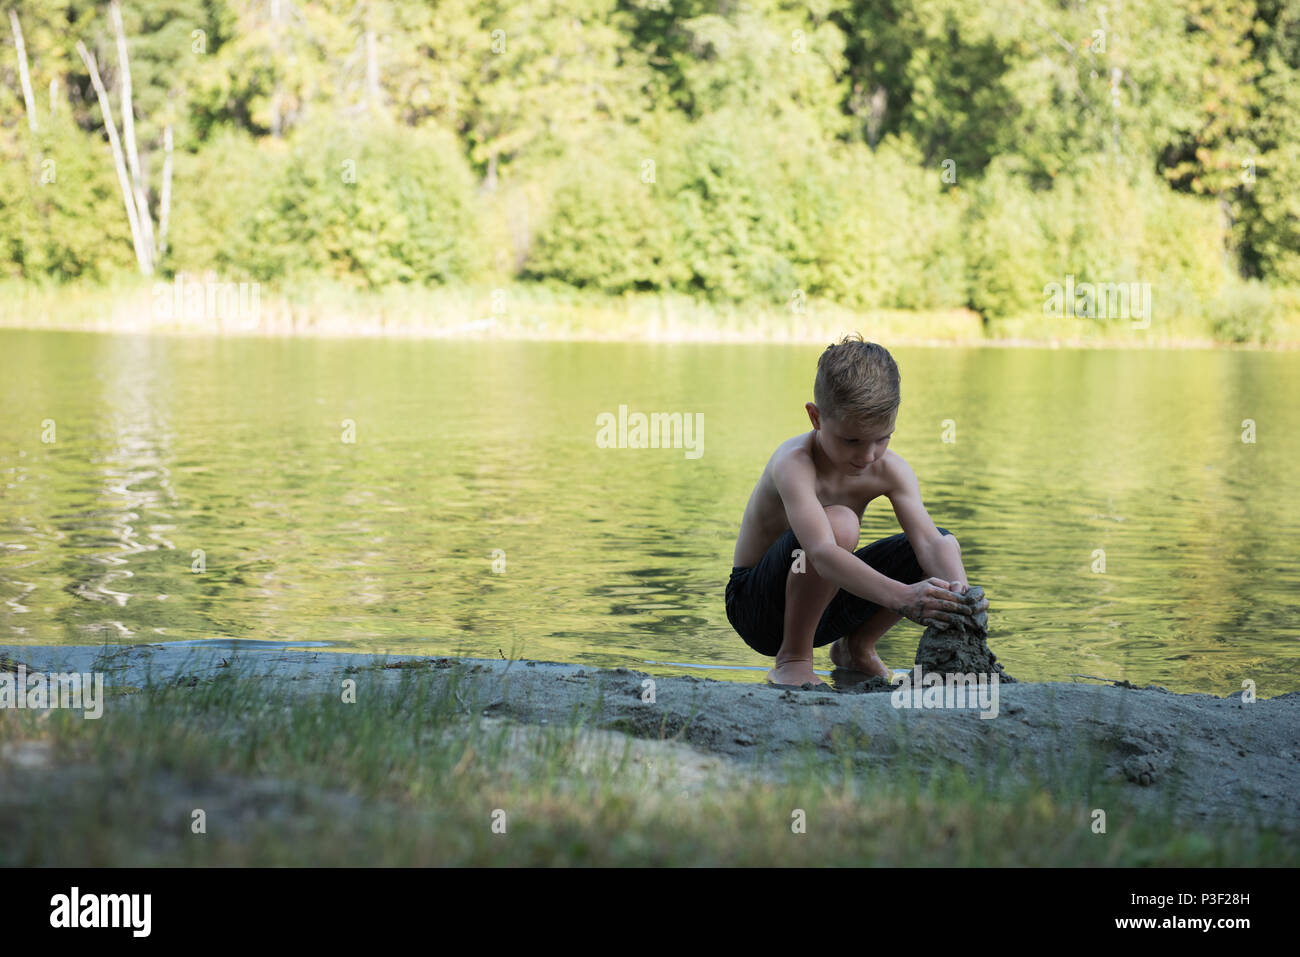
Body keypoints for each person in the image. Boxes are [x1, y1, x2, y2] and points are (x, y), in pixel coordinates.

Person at [725, 333, 988, 688]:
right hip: (759, 608)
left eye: (883, 439)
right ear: (815, 418)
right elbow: (820, 553)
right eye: (851, 441)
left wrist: (962, 602)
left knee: (942, 541)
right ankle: (794, 659)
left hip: (828, 601)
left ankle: (856, 649)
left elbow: (929, 544)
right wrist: (904, 598)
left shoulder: (891, 469)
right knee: (840, 525)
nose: (867, 456)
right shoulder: (794, 464)